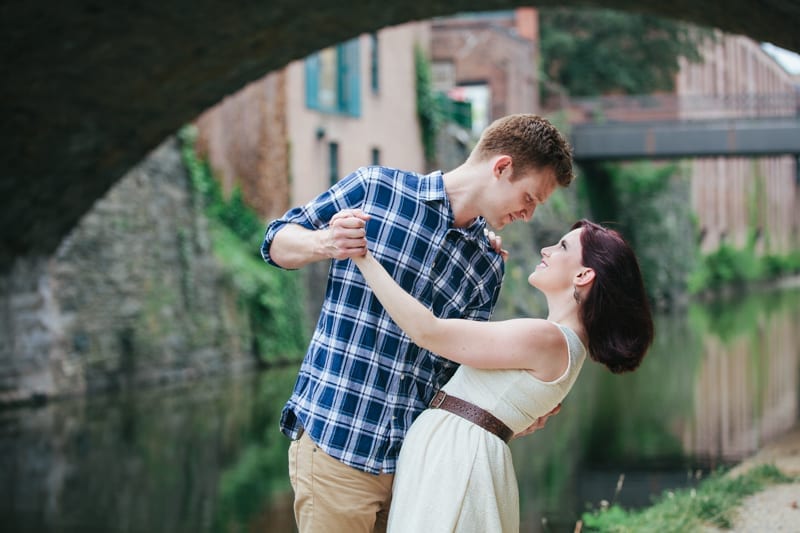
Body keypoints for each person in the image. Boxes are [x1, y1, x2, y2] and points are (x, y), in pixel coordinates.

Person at [260, 114, 575, 533]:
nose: (529, 214)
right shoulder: (376, 189)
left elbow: (461, 369)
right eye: (530, 197)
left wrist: (513, 407)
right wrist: (326, 242)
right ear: (501, 168)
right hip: (338, 443)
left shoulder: (486, 266)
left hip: (418, 469)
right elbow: (276, 241)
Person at [347, 216, 654, 532]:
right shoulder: (561, 342)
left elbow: (429, 332)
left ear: (583, 274)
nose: (546, 250)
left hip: (457, 460)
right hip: (455, 455)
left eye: (562, 246)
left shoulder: (549, 338)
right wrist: (484, 264)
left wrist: (363, 257)